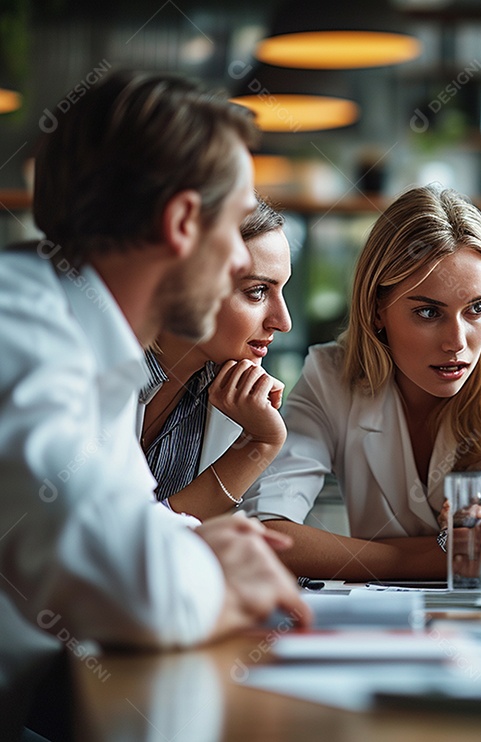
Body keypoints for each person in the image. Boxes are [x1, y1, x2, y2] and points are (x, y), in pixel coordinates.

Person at [0, 71, 310, 739]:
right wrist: (217, 571)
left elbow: (135, 523)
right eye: (234, 228)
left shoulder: (87, 342)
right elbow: (136, 591)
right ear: (180, 224)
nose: (236, 261)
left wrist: (203, 543)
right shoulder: (17, 333)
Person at [242, 184, 481, 580]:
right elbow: (268, 536)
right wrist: (435, 558)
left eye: (477, 308)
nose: (457, 341)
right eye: (429, 312)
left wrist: (356, 556)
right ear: (377, 309)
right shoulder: (332, 373)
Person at [140, 195, 292, 520]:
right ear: (190, 282)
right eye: (257, 292)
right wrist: (261, 444)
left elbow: (254, 535)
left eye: (282, 291)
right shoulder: (90, 372)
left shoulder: (238, 395)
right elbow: (119, 539)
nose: (283, 321)